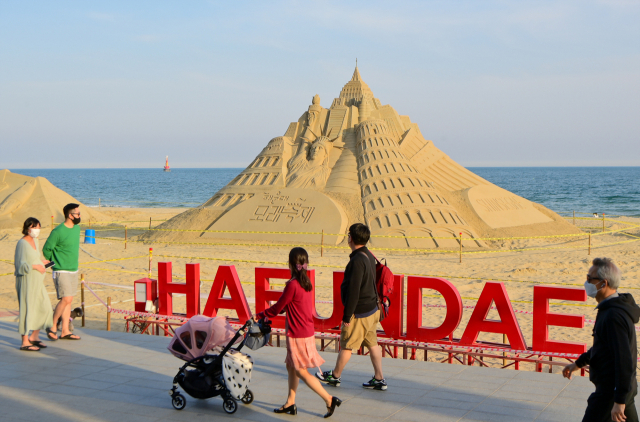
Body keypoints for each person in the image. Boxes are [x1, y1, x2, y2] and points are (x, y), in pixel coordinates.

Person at [255, 247, 341, 418]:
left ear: (290, 264)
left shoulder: (292, 285)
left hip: (297, 334)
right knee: (291, 366)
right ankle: (290, 402)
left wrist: (260, 314)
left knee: (300, 371)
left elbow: (278, 307)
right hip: (306, 331)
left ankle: (329, 399)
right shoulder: (306, 283)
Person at [563, 258, 640, 422]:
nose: (586, 282)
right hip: (620, 391)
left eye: (590, 279)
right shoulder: (611, 309)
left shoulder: (613, 316)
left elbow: (625, 360)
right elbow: (603, 346)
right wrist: (578, 363)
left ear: (603, 283)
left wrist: (619, 400)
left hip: (610, 394)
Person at [316, 223, 386, 391]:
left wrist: (347, 316)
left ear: (352, 238)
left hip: (360, 312)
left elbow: (354, 290)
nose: (347, 237)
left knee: (347, 345)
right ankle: (379, 378)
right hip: (372, 309)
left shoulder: (357, 260)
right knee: (372, 344)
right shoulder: (368, 255)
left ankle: (335, 376)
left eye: (348, 235)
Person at [43, 203, 82, 341]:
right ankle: (52, 326)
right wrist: (55, 263)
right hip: (61, 270)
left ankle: (65, 330)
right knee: (66, 299)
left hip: (73, 269)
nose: (79, 216)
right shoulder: (58, 231)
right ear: (70, 215)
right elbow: (46, 250)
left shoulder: (77, 229)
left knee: (69, 300)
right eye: (77, 214)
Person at [14, 217, 54, 351]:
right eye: (34, 227)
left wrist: (42, 262)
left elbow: (34, 258)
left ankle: (34, 337)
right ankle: (25, 341)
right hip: (26, 281)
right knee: (27, 309)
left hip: (38, 281)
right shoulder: (22, 243)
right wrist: (36, 267)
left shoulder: (36, 241)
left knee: (45, 307)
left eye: (38, 227)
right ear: (27, 228)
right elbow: (20, 265)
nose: (37, 230)